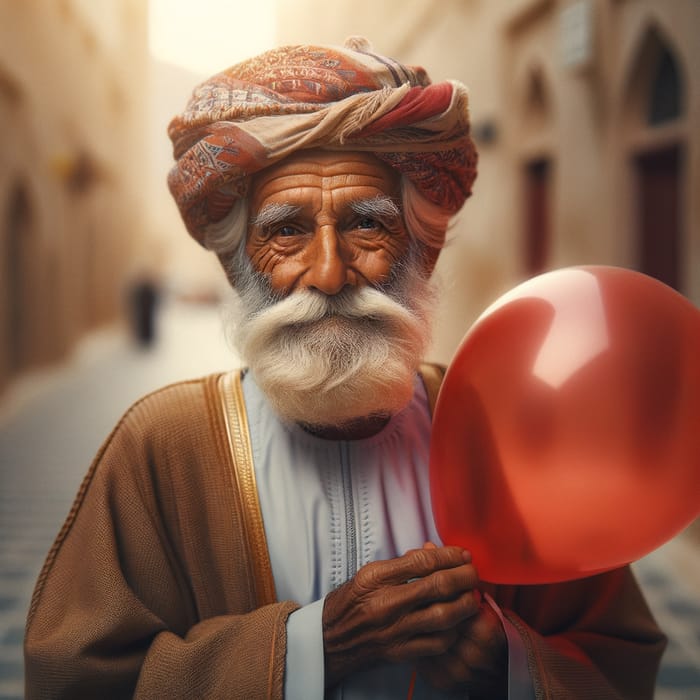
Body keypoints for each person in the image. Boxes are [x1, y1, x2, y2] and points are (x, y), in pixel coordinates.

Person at [24, 38, 666, 699]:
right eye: (287, 231)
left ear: (420, 249)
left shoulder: (501, 432)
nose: (328, 273)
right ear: (239, 262)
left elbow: (619, 661)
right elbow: (73, 676)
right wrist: (314, 646)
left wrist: (510, 664)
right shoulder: (163, 444)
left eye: (366, 225)